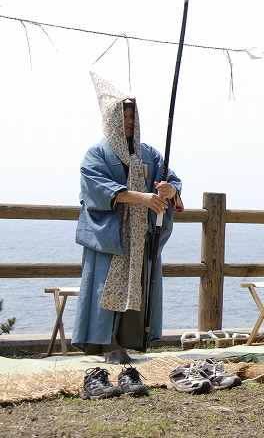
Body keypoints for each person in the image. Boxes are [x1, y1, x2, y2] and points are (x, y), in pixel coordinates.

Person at [72, 72, 183, 363]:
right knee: (106, 287)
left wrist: (170, 190)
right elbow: (96, 187)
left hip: (141, 234)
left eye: (133, 116)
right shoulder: (97, 153)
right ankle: (107, 345)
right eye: (123, 117)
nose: (129, 122)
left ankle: (129, 341)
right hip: (112, 236)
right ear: (111, 120)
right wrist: (141, 198)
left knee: (139, 285)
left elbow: (170, 179)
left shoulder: (149, 153)